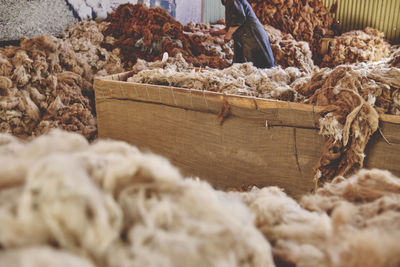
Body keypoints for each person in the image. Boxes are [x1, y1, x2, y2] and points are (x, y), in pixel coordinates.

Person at [211, 0, 275, 69]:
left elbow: (239, 19)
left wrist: (228, 35)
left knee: (258, 64)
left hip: (252, 34)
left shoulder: (232, 1)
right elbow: (231, 26)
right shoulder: (229, 3)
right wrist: (213, 33)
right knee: (241, 65)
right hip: (245, 35)